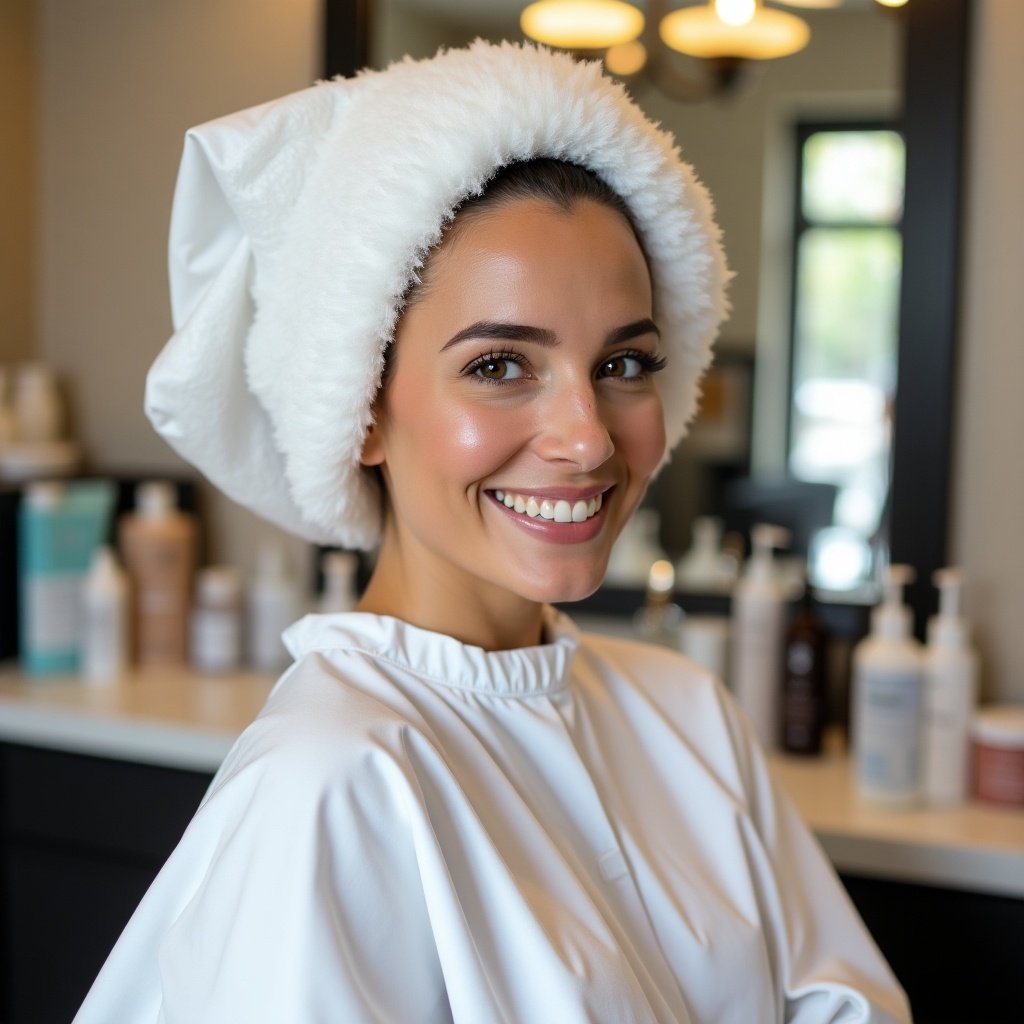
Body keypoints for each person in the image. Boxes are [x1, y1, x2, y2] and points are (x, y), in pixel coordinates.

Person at [76, 41, 911, 1024]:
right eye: (500, 365)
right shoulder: (332, 783)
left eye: (625, 364)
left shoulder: (685, 714)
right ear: (363, 408)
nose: (587, 438)